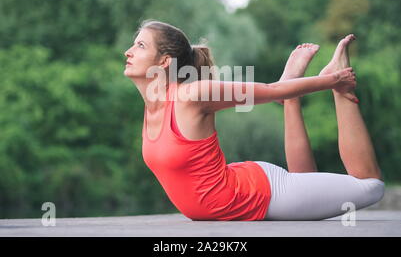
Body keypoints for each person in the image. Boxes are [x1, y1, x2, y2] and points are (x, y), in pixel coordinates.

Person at [124, 19, 384, 221]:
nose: (128, 51)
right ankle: (292, 97)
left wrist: (334, 81)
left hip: (258, 194)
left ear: (165, 61)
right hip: (240, 187)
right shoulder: (151, 109)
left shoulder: (192, 95)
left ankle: (341, 91)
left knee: (372, 187)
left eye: (140, 45)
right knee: (305, 180)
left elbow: (269, 90)